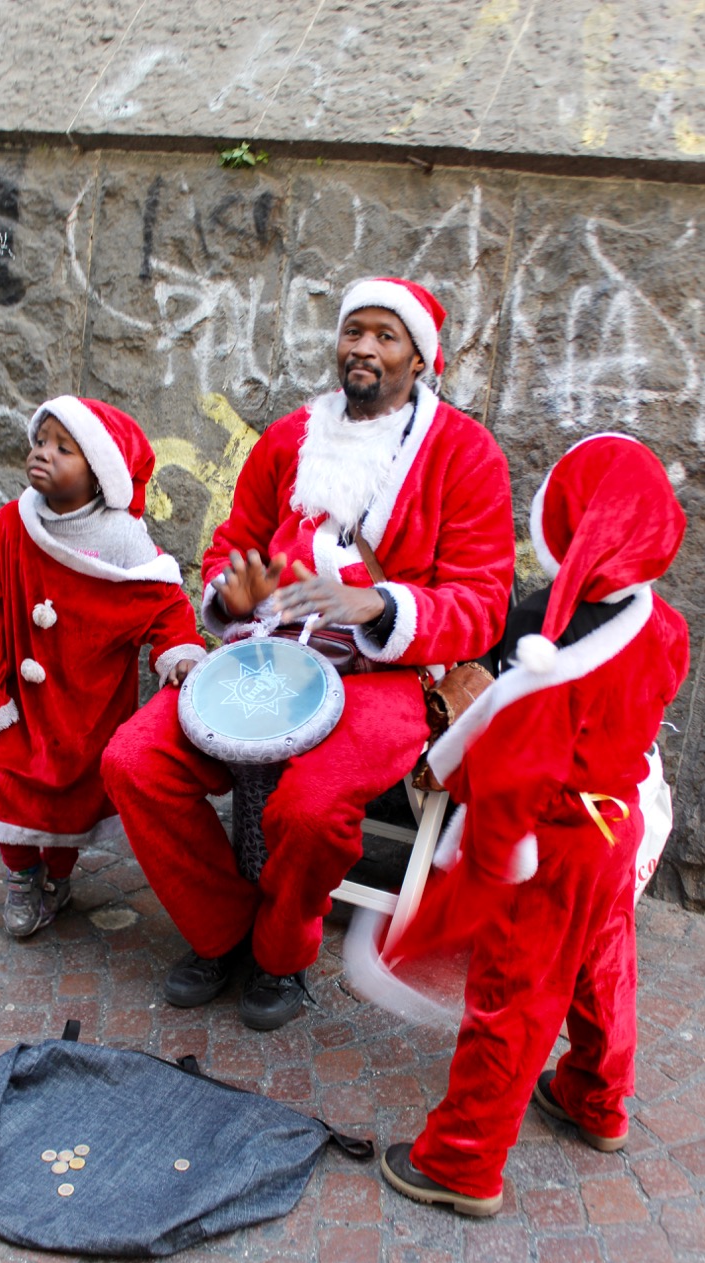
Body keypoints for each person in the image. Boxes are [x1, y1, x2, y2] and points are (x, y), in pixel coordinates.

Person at [102, 277, 514, 1030]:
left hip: (380, 675)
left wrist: (381, 605)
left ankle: (281, 954)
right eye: (353, 330)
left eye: (386, 336)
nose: (362, 347)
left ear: (420, 359)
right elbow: (233, 547)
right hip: (262, 655)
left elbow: (483, 604)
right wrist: (234, 592)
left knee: (313, 810)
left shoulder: (465, 453)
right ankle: (221, 930)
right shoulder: (288, 436)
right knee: (133, 762)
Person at [380, 434, 689, 1216]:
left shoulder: (553, 650)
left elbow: (514, 776)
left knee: (512, 997)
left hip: (547, 844)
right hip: (614, 829)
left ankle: (461, 1161)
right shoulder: (661, 626)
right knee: (600, 966)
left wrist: (477, 869)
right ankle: (595, 1097)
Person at [0, 396, 204, 937]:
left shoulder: (119, 539)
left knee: (75, 796)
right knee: (6, 776)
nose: (42, 453)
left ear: (99, 474)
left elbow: (162, 605)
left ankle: (58, 877)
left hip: (85, 699)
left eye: (63, 448)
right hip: (20, 700)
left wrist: (179, 656)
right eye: (40, 441)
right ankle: (22, 876)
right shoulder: (9, 525)